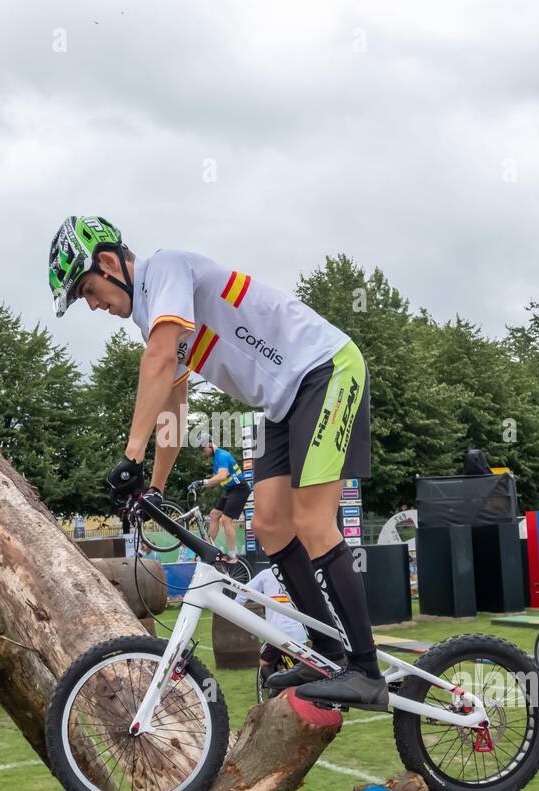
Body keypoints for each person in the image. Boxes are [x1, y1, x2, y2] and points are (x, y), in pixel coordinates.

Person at [49, 215, 384, 708]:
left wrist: (130, 455)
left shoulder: (164, 271)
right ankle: (327, 652)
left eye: (87, 290)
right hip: (283, 403)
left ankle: (366, 670)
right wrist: (155, 486)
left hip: (325, 369)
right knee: (270, 526)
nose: (93, 304)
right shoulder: (155, 317)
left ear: (107, 263)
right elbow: (174, 402)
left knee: (311, 520)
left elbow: (161, 362)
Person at [236, 566, 307, 695]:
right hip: (299, 633)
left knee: (265, 663)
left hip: (277, 633)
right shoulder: (300, 572)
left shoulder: (266, 574)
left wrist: (235, 609)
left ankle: (277, 688)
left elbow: (242, 592)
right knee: (300, 669)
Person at [189, 430, 248, 564]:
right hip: (229, 490)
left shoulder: (221, 455)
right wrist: (199, 485)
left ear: (209, 444)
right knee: (214, 515)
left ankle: (233, 555)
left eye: (202, 449)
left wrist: (203, 481)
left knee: (226, 520)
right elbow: (217, 480)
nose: (202, 453)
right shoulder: (215, 458)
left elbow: (221, 476)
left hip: (239, 489)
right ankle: (208, 547)